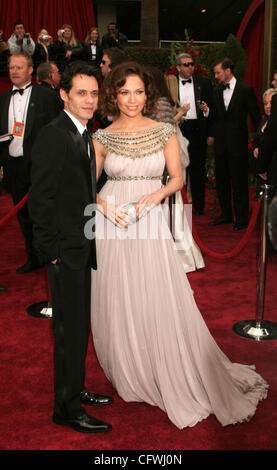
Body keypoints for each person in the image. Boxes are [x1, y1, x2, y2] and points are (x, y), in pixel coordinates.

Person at [90, 61, 268, 429]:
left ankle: (162, 363)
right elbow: (85, 187)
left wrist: (155, 196)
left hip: (149, 217)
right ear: (114, 95)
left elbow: (176, 179)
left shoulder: (164, 131)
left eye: (139, 91)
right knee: (117, 293)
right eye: (125, 92)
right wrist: (104, 207)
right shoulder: (101, 137)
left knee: (154, 292)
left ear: (148, 94)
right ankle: (130, 366)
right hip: (109, 222)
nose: (132, 99)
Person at [28, 61, 112, 434]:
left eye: (94, 93)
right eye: (81, 92)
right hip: (66, 250)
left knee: (79, 327)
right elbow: (40, 200)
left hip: (81, 246)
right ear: (63, 94)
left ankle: (75, 388)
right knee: (68, 331)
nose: (89, 100)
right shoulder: (54, 134)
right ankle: (65, 408)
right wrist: (53, 252)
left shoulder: (82, 132)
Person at [0, 53, 59, 274]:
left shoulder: (46, 97)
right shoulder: (3, 99)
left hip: (40, 167)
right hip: (14, 166)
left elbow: (57, 130)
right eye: (11, 67)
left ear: (31, 70)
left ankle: (50, 255)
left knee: (44, 213)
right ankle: (33, 256)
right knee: (22, 216)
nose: (14, 71)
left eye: (19, 67)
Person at [148, 65, 204, 273]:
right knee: (174, 208)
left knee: (175, 208)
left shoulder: (160, 103)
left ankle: (179, 255)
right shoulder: (156, 102)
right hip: (164, 163)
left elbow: (165, 135)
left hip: (166, 164)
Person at [209, 57, 261, 230]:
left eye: (218, 72)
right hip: (221, 145)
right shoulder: (217, 92)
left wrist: (258, 141)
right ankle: (225, 215)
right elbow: (215, 118)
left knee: (239, 182)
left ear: (228, 71)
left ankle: (242, 219)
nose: (216, 76)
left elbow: (255, 116)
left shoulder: (245, 90)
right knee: (222, 181)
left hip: (238, 144)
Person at [166, 53, 214, 216]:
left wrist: (206, 112)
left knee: (198, 170)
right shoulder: (170, 84)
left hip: (198, 131)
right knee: (178, 169)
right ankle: (181, 206)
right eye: (186, 64)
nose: (190, 67)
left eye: (192, 64)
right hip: (178, 130)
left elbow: (212, 110)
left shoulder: (204, 83)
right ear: (178, 67)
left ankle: (199, 207)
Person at [249, 88, 277, 199]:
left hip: (273, 173)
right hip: (262, 174)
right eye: (265, 103)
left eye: (271, 103)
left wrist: (263, 165)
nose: (268, 106)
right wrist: (255, 150)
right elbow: (255, 144)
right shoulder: (263, 122)